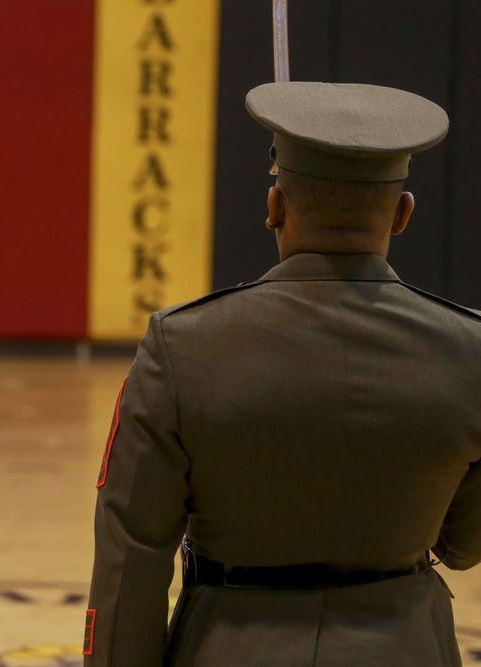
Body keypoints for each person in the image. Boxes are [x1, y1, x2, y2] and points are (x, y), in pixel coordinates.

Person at [83, 81, 481, 666]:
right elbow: (465, 544)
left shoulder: (182, 348)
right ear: (401, 215)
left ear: (274, 206)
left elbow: (131, 564)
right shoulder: (470, 353)